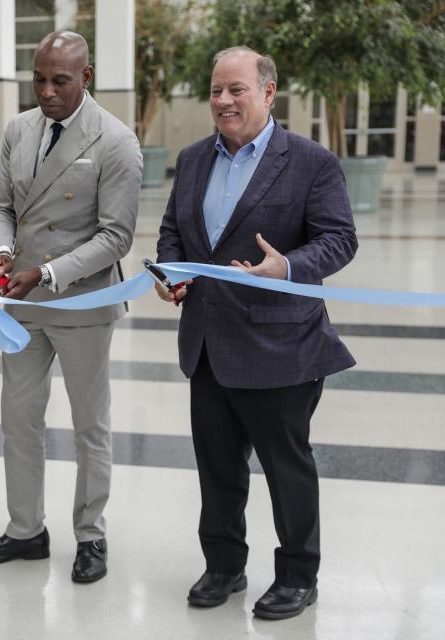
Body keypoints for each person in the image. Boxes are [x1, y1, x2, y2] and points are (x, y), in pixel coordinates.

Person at [155, 46, 357, 619]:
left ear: (268, 92)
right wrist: (172, 272)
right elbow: (175, 231)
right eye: (217, 90)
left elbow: (339, 238)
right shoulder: (194, 159)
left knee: (286, 467)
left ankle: (298, 574)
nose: (223, 100)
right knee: (217, 467)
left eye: (236, 90)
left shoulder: (311, 161)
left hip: (280, 347)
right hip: (208, 344)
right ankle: (223, 565)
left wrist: (287, 267)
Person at [0, 31, 142, 584]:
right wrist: (1, 253)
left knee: (90, 425)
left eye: (59, 80)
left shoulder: (115, 141)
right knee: (18, 420)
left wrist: (49, 272)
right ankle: (25, 531)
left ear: (85, 77)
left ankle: (91, 535)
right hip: (20, 303)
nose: (46, 91)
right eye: (38, 78)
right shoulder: (19, 129)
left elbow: (116, 238)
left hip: (82, 301)